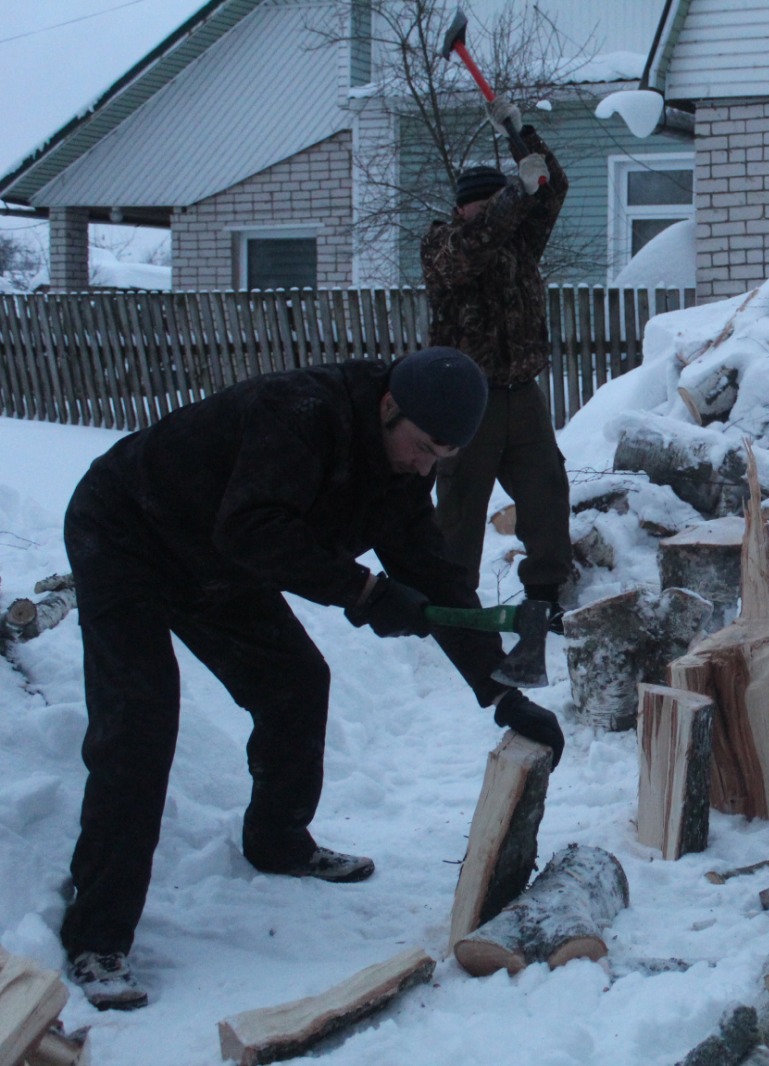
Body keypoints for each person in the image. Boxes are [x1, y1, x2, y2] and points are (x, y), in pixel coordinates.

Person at [58, 347, 565, 1011]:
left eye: (441, 457)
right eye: (420, 447)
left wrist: (501, 692)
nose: (423, 465)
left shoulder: (403, 470)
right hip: (130, 530)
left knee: (296, 681)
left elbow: (438, 578)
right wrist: (363, 590)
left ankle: (278, 841)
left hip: (217, 560)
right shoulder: (299, 413)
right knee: (141, 719)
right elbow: (252, 526)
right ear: (388, 405)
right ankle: (95, 936)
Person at [422, 95, 572, 629]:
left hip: (521, 391)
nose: (489, 214)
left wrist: (520, 134)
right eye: (479, 206)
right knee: (460, 505)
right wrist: (514, 194)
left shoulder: (519, 245)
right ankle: (452, 601)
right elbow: (477, 244)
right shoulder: (444, 245)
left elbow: (551, 191)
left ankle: (547, 594)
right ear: (462, 209)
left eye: (496, 204)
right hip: (468, 397)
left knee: (546, 493)